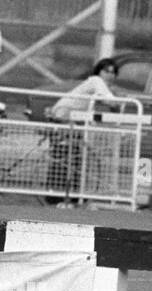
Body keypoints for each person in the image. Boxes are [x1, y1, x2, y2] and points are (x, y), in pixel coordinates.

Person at [46, 57, 120, 203]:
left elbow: (99, 103)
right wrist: (117, 104)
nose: (110, 75)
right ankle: (57, 198)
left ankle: (70, 197)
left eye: (113, 72)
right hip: (64, 121)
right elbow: (109, 101)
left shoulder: (98, 85)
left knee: (74, 160)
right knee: (65, 161)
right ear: (99, 71)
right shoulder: (96, 81)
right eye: (106, 71)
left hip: (72, 122)